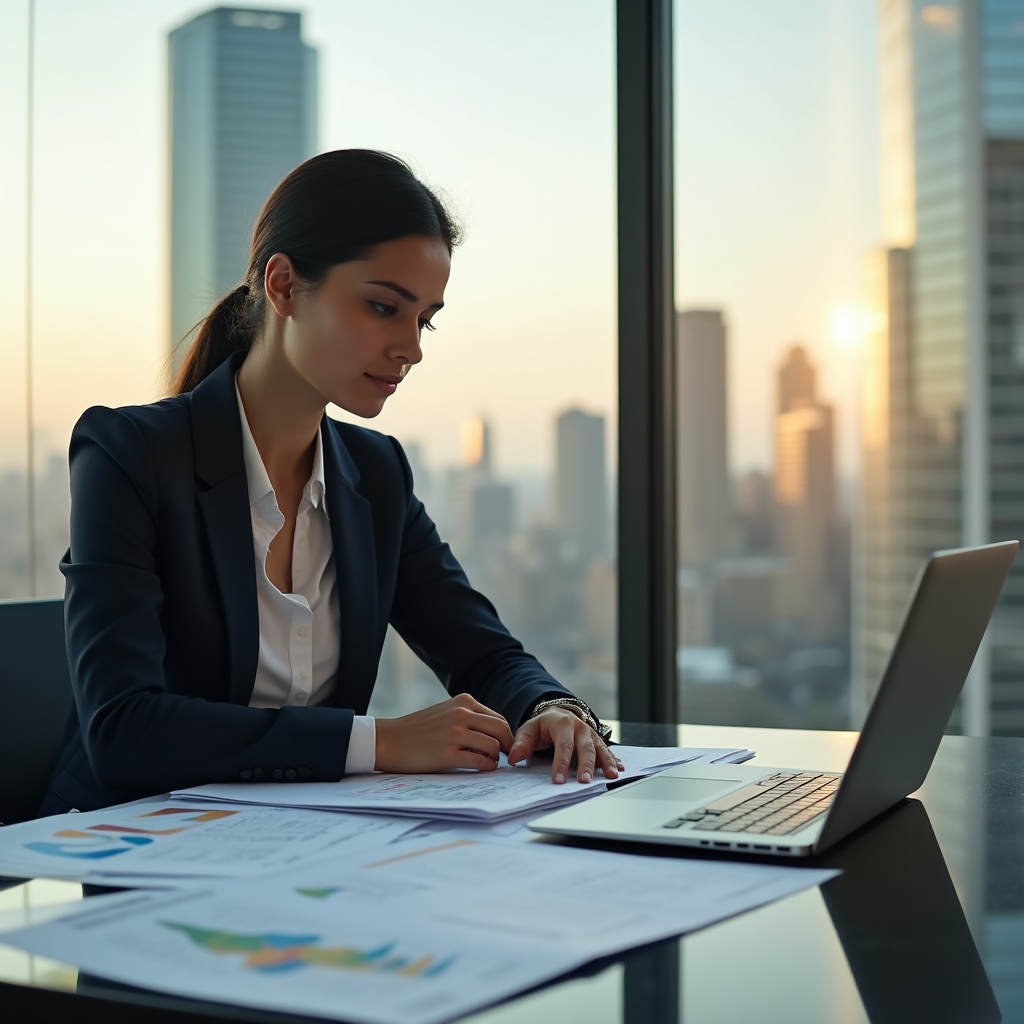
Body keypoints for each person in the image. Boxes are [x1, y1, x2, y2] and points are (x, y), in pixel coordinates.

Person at [39, 149, 621, 816]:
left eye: (424, 317)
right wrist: (375, 742)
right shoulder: (131, 453)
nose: (412, 346)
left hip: (308, 849)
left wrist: (552, 707)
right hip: (135, 850)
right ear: (283, 285)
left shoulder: (377, 475)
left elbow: (483, 653)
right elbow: (123, 731)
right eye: (382, 307)